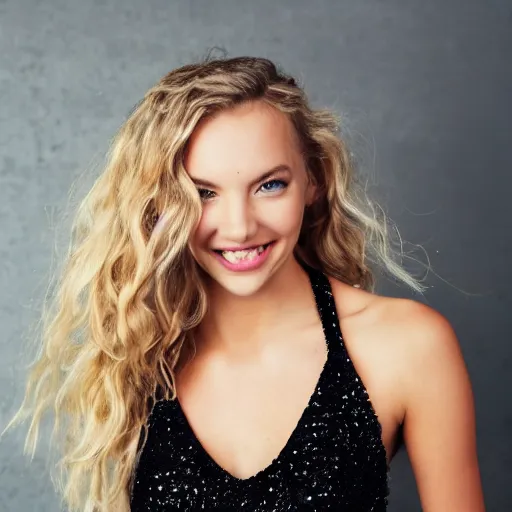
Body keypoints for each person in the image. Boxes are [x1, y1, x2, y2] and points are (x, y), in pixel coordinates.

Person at [4, 55, 485, 511]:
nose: (238, 227)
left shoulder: (407, 346)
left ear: (313, 180)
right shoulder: (143, 348)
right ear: (159, 204)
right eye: (202, 193)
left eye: (269, 185)